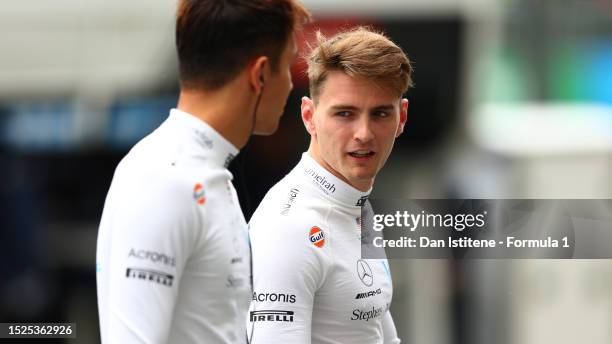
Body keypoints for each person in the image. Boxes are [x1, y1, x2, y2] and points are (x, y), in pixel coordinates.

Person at [95, 1, 310, 343]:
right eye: (288, 65)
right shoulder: (166, 177)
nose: (290, 84)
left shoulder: (200, 171)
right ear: (260, 74)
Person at [247, 27, 413, 343]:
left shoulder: (356, 204)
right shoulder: (290, 226)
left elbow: (379, 334)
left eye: (379, 113)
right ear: (309, 116)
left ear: (401, 117)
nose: (364, 133)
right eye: (345, 114)